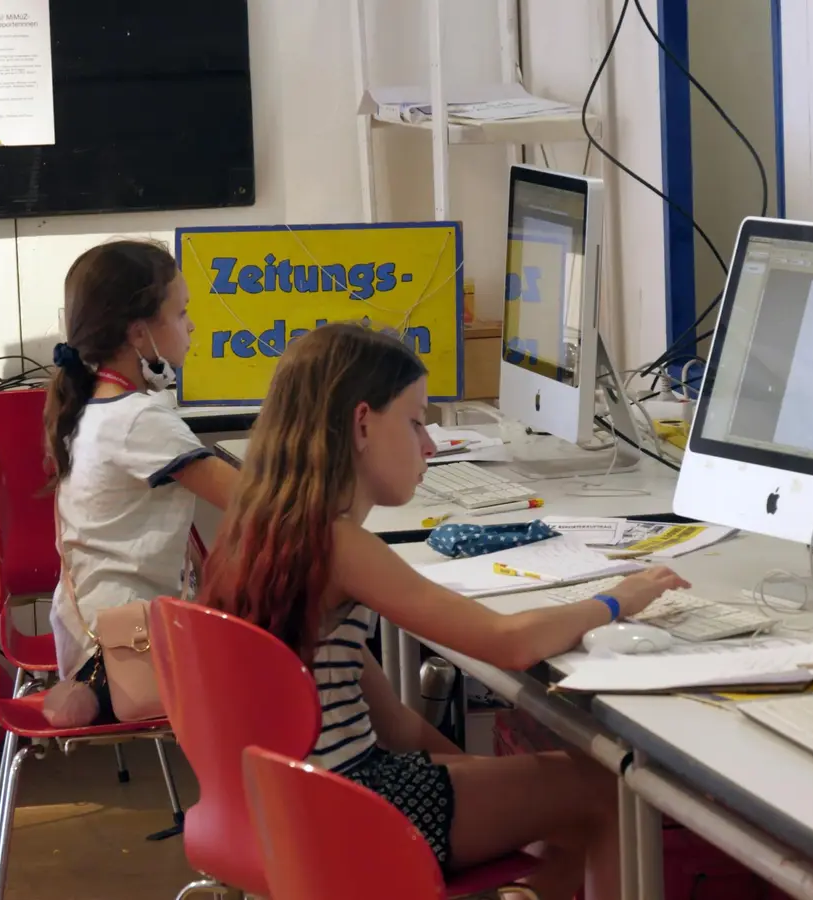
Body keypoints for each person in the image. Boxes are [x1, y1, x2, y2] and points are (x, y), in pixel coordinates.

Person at [201, 322, 687, 899]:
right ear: (361, 424)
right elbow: (510, 644)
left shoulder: (260, 533)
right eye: (415, 421)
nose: (429, 444)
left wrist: (487, 783)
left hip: (296, 803)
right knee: (604, 791)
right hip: (348, 810)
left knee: (560, 785)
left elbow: (394, 722)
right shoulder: (340, 546)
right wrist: (615, 600)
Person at [44, 239, 238, 721]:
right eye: (180, 313)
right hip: (130, 654)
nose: (191, 324)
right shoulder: (137, 420)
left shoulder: (91, 406)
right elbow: (253, 499)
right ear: (138, 334)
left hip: (94, 640)